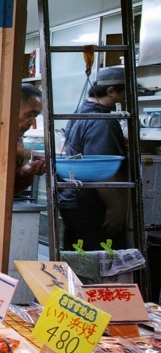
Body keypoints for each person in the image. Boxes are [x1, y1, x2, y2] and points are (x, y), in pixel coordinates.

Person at [58, 65, 135, 251]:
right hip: (92, 206)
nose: (127, 98)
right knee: (101, 263)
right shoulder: (102, 122)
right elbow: (101, 169)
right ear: (111, 91)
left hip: (74, 201)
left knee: (78, 259)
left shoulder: (79, 112)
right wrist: (115, 208)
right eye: (126, 92)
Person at [14, 83, 47, 194]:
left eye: (35, 117)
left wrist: (24, 173)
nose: (32, 123)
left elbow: (12, 190)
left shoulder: (17, 139)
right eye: (28, 115)